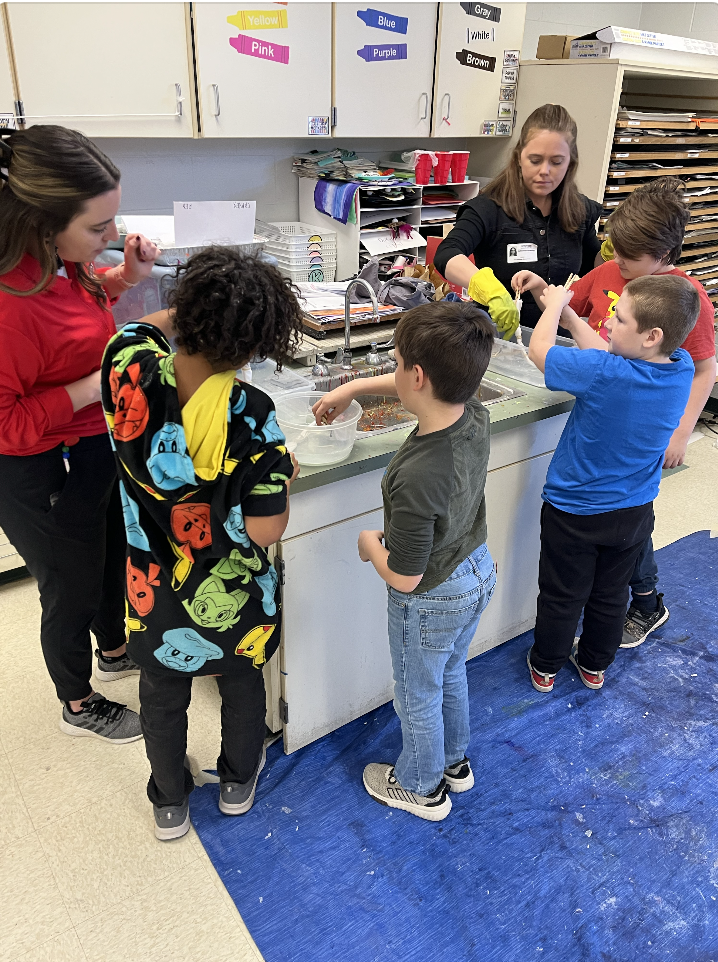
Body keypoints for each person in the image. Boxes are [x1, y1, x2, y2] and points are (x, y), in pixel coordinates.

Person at [101, 248, 303, 840]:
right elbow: (266, 529)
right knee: (241, 687)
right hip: (234, 597)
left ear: (183, 313)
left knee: (162, 695)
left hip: (154, 593)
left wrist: (191, 310)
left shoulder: (129, 368)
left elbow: (141, 329)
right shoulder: (252, 415)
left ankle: (169, 799)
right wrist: (279, 480)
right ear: (252, 350)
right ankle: (238, 780)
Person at [0, 126, 162, 742]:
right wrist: (88, 390)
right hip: (37, 464)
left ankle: (114, 648)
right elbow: (5, 423)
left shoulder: (64, 265)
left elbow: (79, 316)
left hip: (89, 444)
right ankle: (76, 702)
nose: (110, 237)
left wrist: (123, 274)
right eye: (99, 230)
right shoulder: (9, 302)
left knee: (108, 550)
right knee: (66, 583)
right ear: (42, 223)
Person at [312, 302, 497, 822]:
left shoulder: (417, 475)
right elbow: (420, 386)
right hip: (476, 569)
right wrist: (352, 389)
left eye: (394, 364)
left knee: (417, 691)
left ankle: (421, 786)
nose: (392, 373)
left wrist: (371, 544)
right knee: (451, 671)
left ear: (416, 376)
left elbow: (406, 576)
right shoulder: (474, 411)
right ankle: (455, 764)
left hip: (431, 594)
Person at [514, 177, 717, 648]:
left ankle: (646, 602)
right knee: (623, 527)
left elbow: (703, 370)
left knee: (627, 536)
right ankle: (608, 633)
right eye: (613, 251)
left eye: (627, 257)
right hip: (616, 450)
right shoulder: (609, 274)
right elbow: (579, 317)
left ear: (664, 257)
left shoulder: (685, 301)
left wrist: (681, 432)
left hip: (634, 448)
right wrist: (548, 292)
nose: (616, 263)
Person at [525, 275, 698, 694]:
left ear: (651, 335)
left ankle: (545, 665)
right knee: (610, 595)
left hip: (574, 511)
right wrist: (570, 317)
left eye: (619, 319)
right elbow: (612, 356)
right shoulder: (680, 368)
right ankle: (594, 666)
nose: (607, 324)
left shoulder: (602, 372)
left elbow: (539, 351)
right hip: (634, 512)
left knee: (562, 593)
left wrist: (553, 307)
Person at [433, 103, 602, 338]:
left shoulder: (579, 210)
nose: (545, 171)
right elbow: (447, 253)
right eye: (535, 160)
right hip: (499, 340)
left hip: (559, 343)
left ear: (570, 163)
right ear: (518, 157)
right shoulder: (489, 209)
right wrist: (488, 289)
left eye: (556, 162)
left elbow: (593, 268)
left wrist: (620, 252)